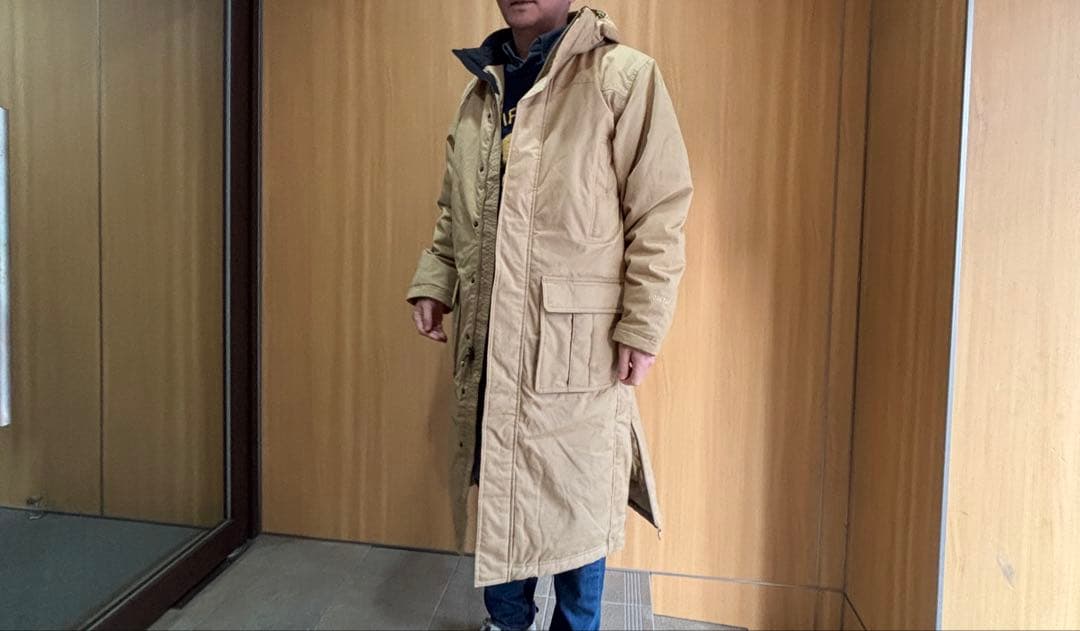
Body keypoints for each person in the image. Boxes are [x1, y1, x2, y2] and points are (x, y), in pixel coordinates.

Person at [407, 1, 691, 629]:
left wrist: (643, 325)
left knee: (576, 498)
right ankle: (505, 623)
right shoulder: (482, 92)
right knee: (501, 483)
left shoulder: (622, 78)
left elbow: (659, 211)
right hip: (489, 338)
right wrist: (437, 280)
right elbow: (456, 209)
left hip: (574, 345)